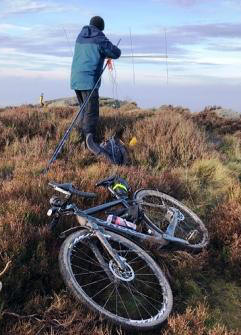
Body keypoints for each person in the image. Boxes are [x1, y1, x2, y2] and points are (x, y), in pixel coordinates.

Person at [71, 16, 121, 144]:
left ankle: (77, 138)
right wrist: (112, 51)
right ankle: (89, 141)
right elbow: (115, 52)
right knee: (91, 112)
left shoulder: (80, 36)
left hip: (76, 79)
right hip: (89, 80)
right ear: (101, 28)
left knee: (84, 108)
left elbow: (93, 52)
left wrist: (104, 54)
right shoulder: (99, 37)